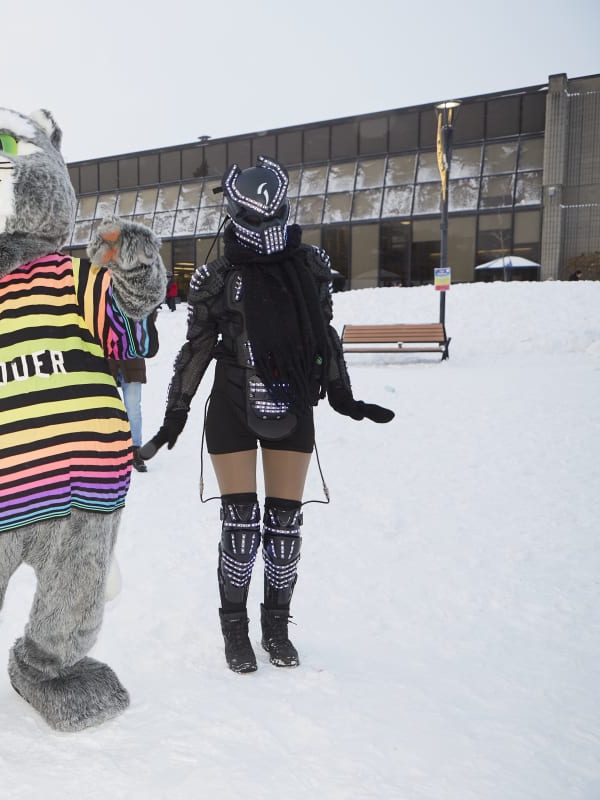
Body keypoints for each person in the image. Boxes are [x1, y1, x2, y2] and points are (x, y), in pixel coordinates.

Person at [139, 156, 393, 674]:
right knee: (240, 524)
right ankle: (235, 629)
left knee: (284, 525)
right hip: (232, 400)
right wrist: (174, 416)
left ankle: (276, 625)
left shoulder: (310, 267)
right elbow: (196, 351)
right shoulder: (216, 276)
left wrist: (345, 395)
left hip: (292, 399)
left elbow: (324, 336)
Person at [109, 356, 148, 472]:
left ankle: (135, 450)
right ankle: (110, 449)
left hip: (132, 361)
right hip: (105, 363)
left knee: (133, 410)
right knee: (108, 410)